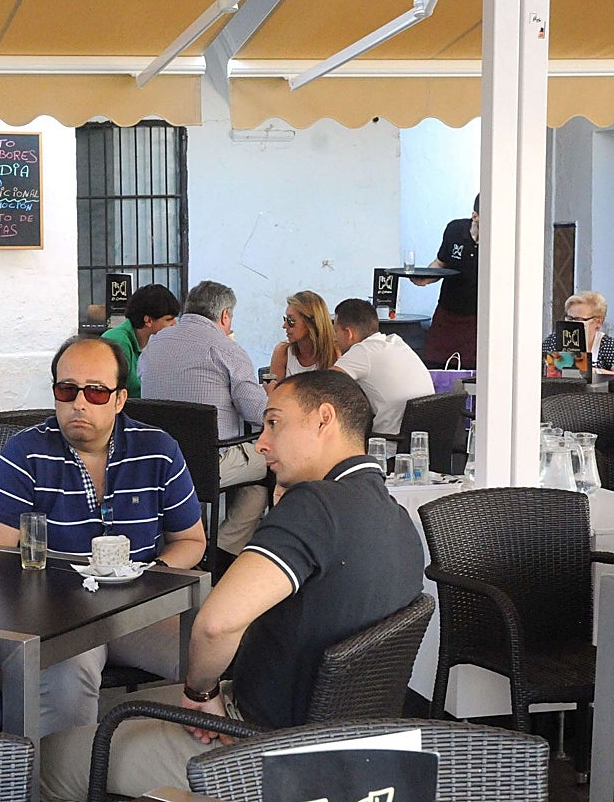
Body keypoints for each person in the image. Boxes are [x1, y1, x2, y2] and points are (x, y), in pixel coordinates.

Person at [40, 371, 426, 801]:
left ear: (324, 419)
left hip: (257, 747)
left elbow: (216, 625)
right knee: (104, 712)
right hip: (341, 749)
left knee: (49, 757)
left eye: (274, 423)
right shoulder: (399, 521)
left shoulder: (317, 504)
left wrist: (201, 693)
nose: (262, 443)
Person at [0, 336, 204, 736]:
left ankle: (188, 767)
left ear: (119, 399)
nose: (79, 402)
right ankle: (68, 780)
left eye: (96, 391)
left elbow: (192, 541)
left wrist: (148, 575)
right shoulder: (26, 453)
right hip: (56, 616)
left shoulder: (157, 450)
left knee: (213, 651)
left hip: (139, 608)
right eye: (67, 390)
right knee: (67, 683)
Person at [137, 280, 269, 567]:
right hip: (209, 462)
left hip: (157, 461)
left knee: (252, 485)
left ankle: (200, 546)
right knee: (268, 465)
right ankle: (223, 551)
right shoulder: (226, 349)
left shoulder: (153, 346)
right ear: (225, 316)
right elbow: (258, 412)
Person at [332, 298, 435, 434]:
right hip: (420, 442)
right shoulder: (395, 342)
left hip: (387, 446)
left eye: (336, 333)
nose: (335, 339)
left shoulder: (364, 351)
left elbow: (324, 384)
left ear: (349, 333)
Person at [414, 194, 480, 368]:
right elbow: (440, 263)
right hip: (448, 312)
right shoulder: (455, 229)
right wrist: (425, 277)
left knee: (470, 369)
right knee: (435, 363)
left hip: (478, 318)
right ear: (475, 215)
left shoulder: (500, 241)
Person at [100, 284, 181, 398]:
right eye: (168, 319)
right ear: (148, 320)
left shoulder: (154, 342)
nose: (174, 324)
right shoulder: (117, 341)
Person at [267, 290, 339, 387]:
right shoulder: (282, 351)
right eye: (285, 319)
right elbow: (269, 384)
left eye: (291, 320)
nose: (284, 326)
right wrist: (267, 382)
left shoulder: (335, 353)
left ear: (311, 323)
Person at [542, 291, 614, 373]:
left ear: (598, 322)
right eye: (569, 318)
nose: (572, 323)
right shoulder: (554, 341)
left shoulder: (607, 345)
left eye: (579, 319)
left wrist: (595, 371)